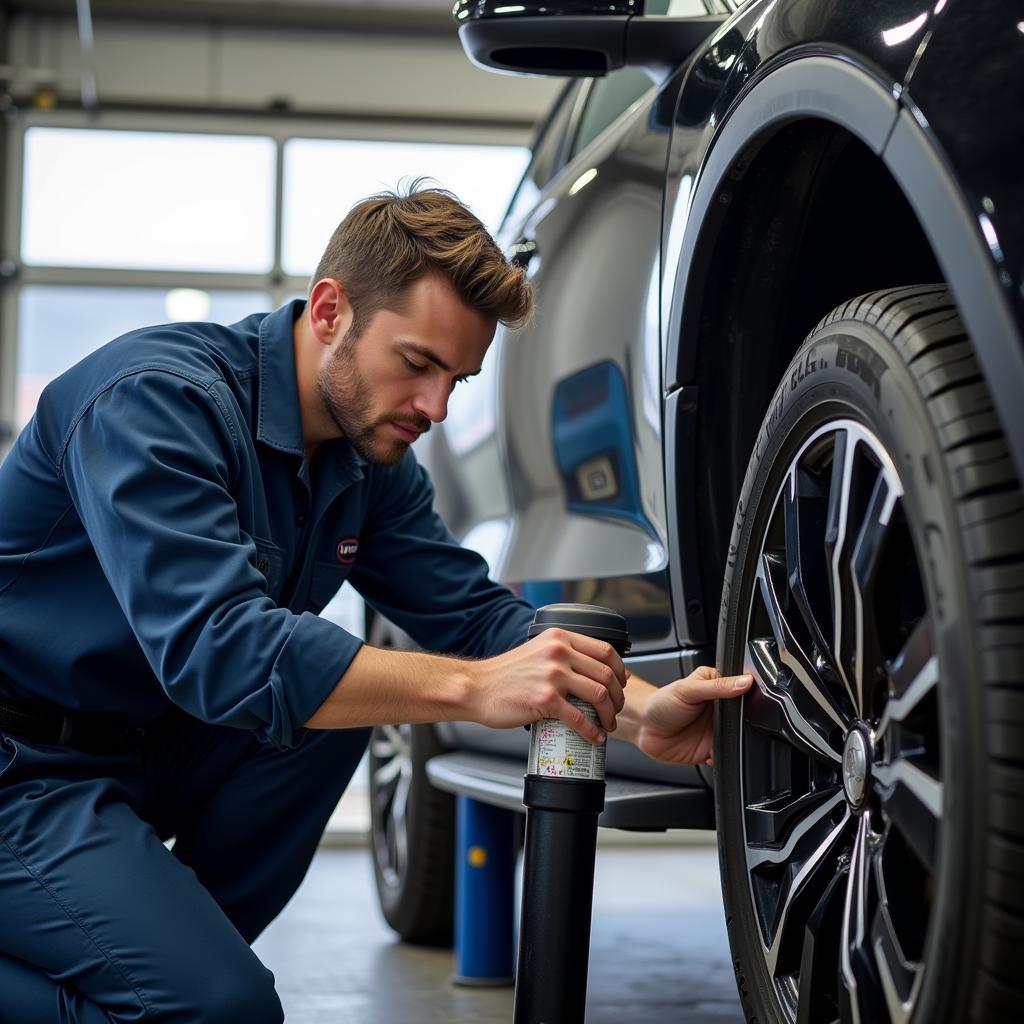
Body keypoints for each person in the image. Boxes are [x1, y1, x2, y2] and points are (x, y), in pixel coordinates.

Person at [0, 185, 752, 1023]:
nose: (435, 408)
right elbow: (223, 650)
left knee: (332, 724)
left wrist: (644, 711)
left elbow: (474, 618)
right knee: (220, 1009)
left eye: (457, 379)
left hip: (143, 749)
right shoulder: (152, 403)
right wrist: (471, 690)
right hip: (21, 768)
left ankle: (170, 963)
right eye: (418, 364)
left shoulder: (368, 462)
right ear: (329, 311)